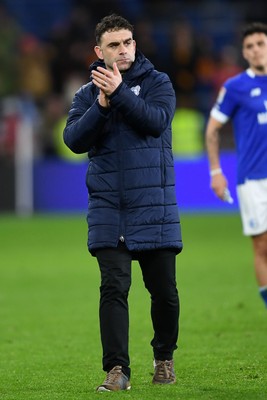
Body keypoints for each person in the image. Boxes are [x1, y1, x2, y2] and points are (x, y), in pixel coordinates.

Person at [63, 14, 183, 391]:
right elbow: (74, 141)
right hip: (110, 208)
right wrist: (101, 104)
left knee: (163, 292)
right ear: (99, 51)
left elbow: (155, 122)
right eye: (114, 45)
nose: (123, 50)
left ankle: (164, 357)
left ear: (134, 44)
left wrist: (118, 95)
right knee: (113, 288)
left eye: (128, 42)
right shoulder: (86, 95)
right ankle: (117, 371)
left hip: (153, 204)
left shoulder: (158, 83)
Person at [205, 22, 267, 308]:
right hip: (253, 179)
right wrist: (216, 172)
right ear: (244, 53)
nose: (256, 50)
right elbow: (212, 130)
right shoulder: (235, 87)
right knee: (262, 247)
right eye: (250, 46)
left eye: (261, 44)